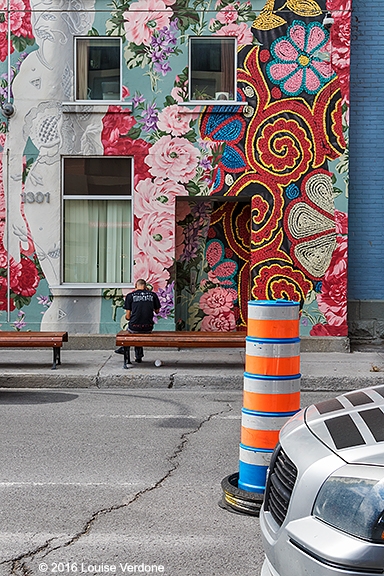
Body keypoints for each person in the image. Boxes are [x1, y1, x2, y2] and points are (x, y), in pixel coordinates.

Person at [115, 279, 160, 363]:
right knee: (139, 333)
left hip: (134, 327)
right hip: (148, 327)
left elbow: (128, 317)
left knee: (133, 331)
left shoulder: (130, 296)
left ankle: (123, 348)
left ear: (136, 286)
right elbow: (157, 311)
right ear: (146, 286)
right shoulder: (153, 295)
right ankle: (138, 356)